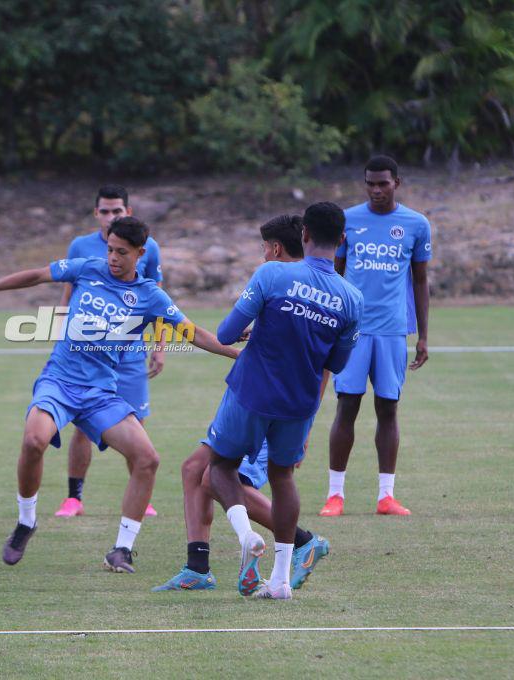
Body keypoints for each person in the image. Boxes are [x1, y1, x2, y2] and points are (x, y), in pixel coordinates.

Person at [0, 216, 239, 574]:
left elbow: (192, 332)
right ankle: (26, 521)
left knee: (147, 459)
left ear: (140, 253)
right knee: (34, 441)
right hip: (59, 382)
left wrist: (237, 354)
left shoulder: (149, 295)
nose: (112, 258)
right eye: (110, 249)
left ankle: (122, 549)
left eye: (122, 252)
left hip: (100, 394)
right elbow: (36, 275)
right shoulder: (87, 268)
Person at [154, 215, 329, 592]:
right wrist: (240, 352)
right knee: (194, 470)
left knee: (219, 479)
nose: (262, 254)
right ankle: (198, 567)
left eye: (264, 247)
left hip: (268, 403)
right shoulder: (309, 287)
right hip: (252, 393)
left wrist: (306, 427)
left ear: (276, 248)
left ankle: (300, 542)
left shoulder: (279, 279)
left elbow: (319, 363)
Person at [206, 202, 362, 600]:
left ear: (304, 234)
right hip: (299, 402)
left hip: (252, 392)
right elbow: (337, 362)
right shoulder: (352, 298)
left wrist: (260, 326)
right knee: (282, 478)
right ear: (342, 240)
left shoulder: (272, 273)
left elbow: (225, 334)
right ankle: (279, 581)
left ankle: (246, 535)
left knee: (219, 468)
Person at [322, 155, 431, 517]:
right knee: (347, 405)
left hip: (392, 330)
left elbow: (420, 280)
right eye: (370, 183)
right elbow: (334, 274)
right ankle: (335, 495)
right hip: (353, 330)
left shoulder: (416, 224)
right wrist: (330, 322)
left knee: (388, 407)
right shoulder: (347, 220)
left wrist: (423, 335)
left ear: (397, 183)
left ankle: (386, 496)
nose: (376, 190)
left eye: (383, 183)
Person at [55, 185, 163, 518]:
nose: (110, 216)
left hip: (130, 354)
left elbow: (157, 300)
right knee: (82, 425)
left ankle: (142, 497)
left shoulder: (148, 248)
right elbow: (68, 294)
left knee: (137, 424)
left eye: (117, 211)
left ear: (127, 212)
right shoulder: (80, 247)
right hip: (87, 355)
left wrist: (159, 346)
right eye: (104, 211)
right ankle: (74, 498)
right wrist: (59, 335)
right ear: (96, 213)